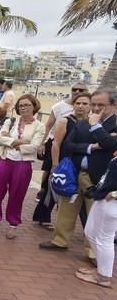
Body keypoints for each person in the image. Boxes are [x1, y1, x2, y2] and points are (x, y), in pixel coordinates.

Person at [39, 90, 117, 260]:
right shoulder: (83, 123)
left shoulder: (113, 124)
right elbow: (69, 145)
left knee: (94, 215)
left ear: (113, 106)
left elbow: (110, 144)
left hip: (99, 178)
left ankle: (93, 252)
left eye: (101, 105)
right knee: (67, 208)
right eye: (94, 104)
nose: (96, 108)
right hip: (76, 172)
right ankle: (60, 240)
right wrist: (91, 147)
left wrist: (97, 129)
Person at [0, 94, 45, 239]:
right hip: (4, 159)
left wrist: (11, 141)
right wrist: (20, 141)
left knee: (17, 194)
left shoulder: (40, 126)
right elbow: (0, 138)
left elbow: (34, 147)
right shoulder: (11, 121)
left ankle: (13, 224)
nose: (23, 108)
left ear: (34, 106)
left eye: (27, 105)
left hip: (22, 164)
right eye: (21, 105)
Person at [33, 91, 91, 228]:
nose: (81, 106)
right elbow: (56, 143)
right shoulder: (66, 120)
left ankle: (87, 227)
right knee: (52, 190)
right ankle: (43, 217)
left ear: (90, 106)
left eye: (84, 103)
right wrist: (55, 164)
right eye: (78, 103)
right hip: (63, 161)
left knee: (81, 195)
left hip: (81, 164)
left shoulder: (92, 123)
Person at [75, 153, 117, 287]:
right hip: (102, 196)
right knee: (90, 232)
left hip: (112, 202)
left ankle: (103, 276)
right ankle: (101, 270)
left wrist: (114, 194)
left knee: (105, 239)